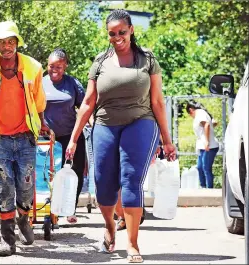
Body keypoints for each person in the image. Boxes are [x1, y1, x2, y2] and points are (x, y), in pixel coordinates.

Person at [65, 9, 176, 263]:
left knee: (130, 180)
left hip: (141, 121)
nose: (117, 38)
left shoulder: (147, 59)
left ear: (131, 30)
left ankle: (133, 244)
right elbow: (88, 102)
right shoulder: (101, 61)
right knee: (103, 182)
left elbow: (157, 101)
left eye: (122, 32)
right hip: (105, 123)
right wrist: (74, 137)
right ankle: (109, 226)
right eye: (112, 34)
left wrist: (167, 140)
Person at [0, 21, 49, 257]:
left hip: (25, 135)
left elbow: (38, 102)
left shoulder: (33, 68)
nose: (7, 46)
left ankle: (24, 220)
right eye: (2, 42)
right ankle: (8, 240)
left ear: (17, 43)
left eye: (11, 42)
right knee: (4, 186)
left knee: (25, 187)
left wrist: (43, 123)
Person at [43, 48, 86, 224]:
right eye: (52, 66)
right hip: (46, 138)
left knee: (74, 172)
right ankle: (49, 208)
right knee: (48, 173)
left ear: (65, 66)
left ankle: (70, 209)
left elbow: (85, 107)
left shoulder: (73, 84)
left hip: (71, 137)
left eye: (59, 67)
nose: (55, 70)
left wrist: (93, 124)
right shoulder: (40, 83)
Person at [186, 101, 219, 188]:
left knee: (206, 168)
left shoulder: (200, 113)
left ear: (191, 110)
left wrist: (207, 141)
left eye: (190, 114)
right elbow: (212, 124)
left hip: (208, 146)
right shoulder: (201, 114)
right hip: (203, 146)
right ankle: (203, 187)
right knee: (200, 167)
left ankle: (209, 189)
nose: (191, 116)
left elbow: (207, 125)